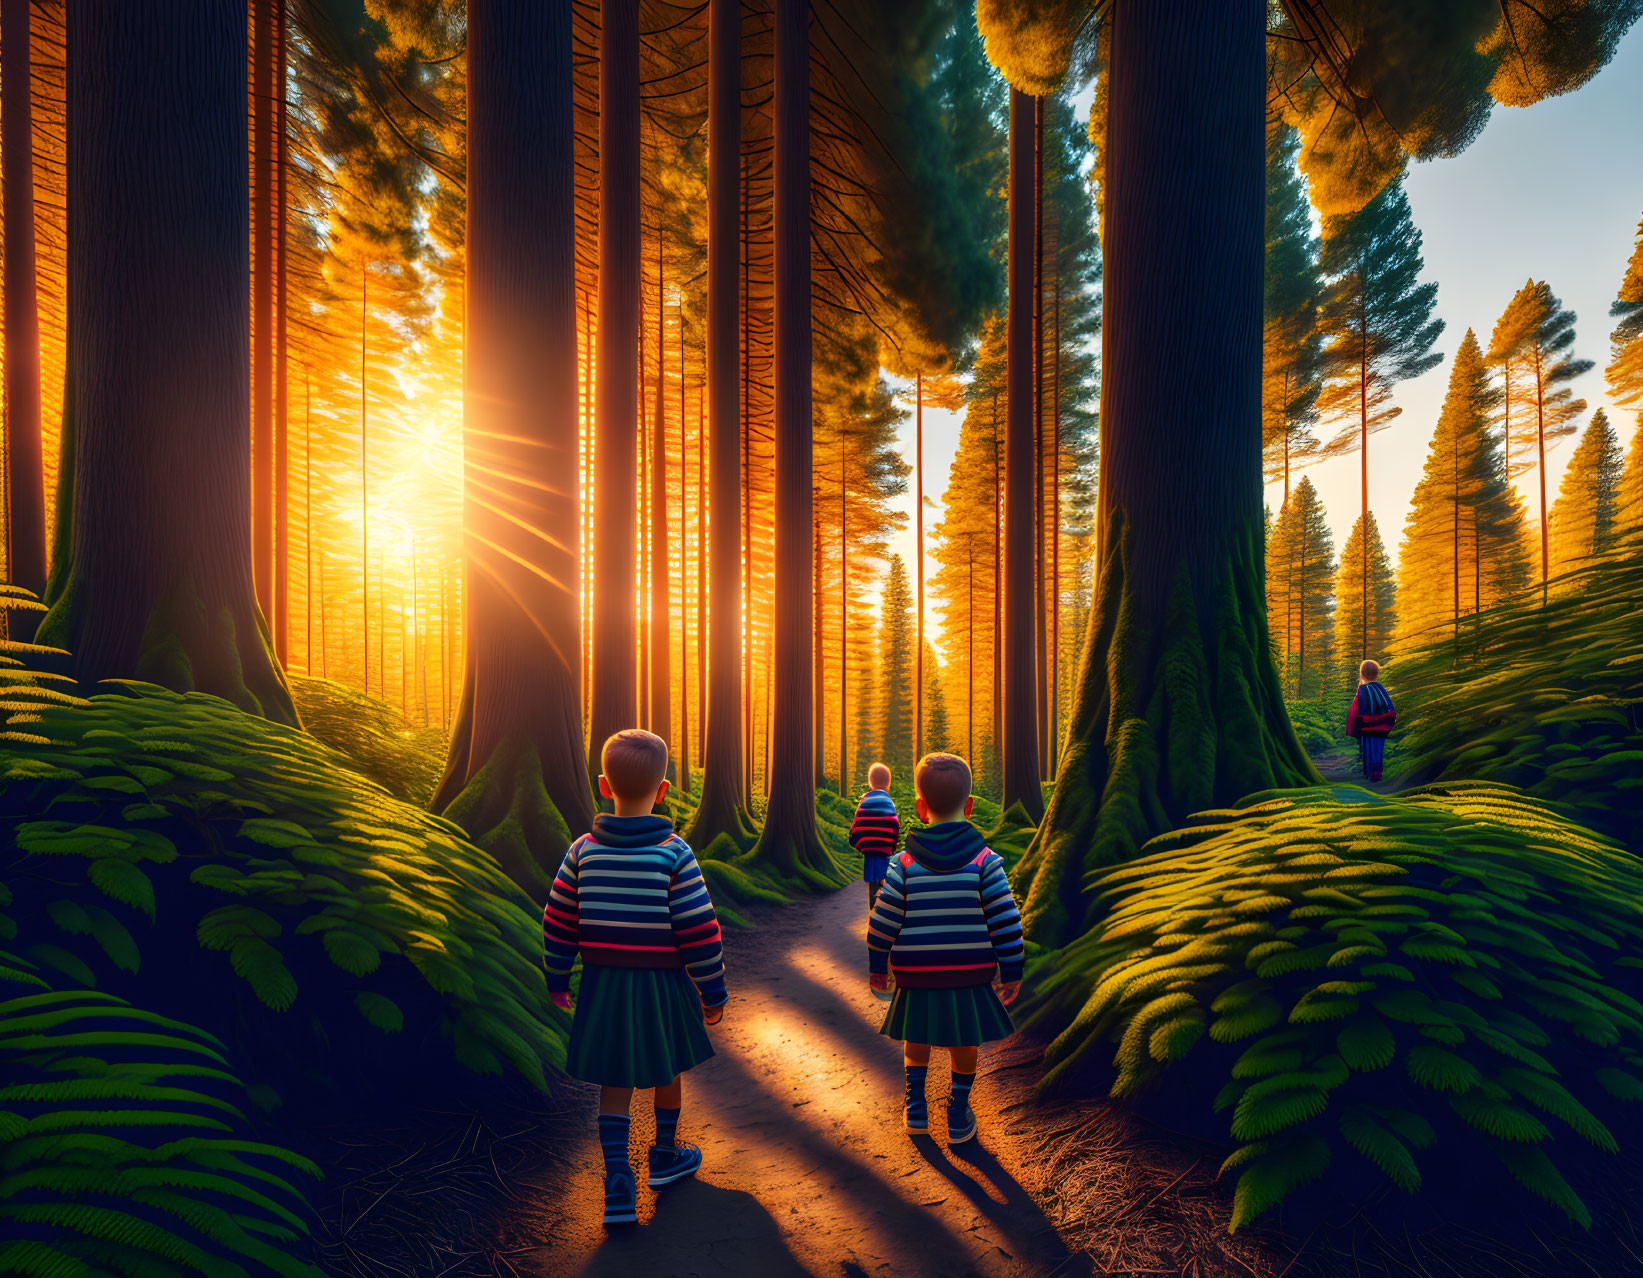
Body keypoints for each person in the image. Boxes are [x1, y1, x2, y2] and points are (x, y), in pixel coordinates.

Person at [543, 729, 728, 1228]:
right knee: (667, 1069)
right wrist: (713, 990)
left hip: (604, 985)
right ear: (663, 789)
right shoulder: (674, 854)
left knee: (615, 1078)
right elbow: (699, 929)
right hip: (663, 985)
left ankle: (618, 1182)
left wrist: (557, 975)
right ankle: (665, 1157)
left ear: (604, 785)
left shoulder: (582, 851)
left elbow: (558, 918)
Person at [867, 753, 1023, 1146]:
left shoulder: (902, 863)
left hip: (916, 976)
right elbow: (1005, 920)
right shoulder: (986, 862)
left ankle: (915, 1106)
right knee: (964, 1040)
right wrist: (1012, 968)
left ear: (920, 808)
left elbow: (883, 919)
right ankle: (958, 1111)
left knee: (915, 1036)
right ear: (968, 807)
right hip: (969, 975)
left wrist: (877, 964)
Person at [849, 762, 901, 911]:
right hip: (884, 848)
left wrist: (855, 840)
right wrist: (893, 845)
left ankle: (873, 907)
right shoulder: (887, 801)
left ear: (870, 784)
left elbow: (857, 822)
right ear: (888, 785)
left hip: (867, 846)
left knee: (871, 877)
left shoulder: (864, 800)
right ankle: (883, 905)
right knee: (883, 876)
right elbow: (894, 823)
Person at [1346, 659, 1397, 783]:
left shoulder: (1362, 689)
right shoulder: (1380, 688)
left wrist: (1351, 728)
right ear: (1376, 674)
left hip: (1367, 726)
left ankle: (1370, 772)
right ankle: (1378, 772)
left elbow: (1354, 708)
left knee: (1368, 750)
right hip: (1383, 726)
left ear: (1362, 673)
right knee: (1378, 750)